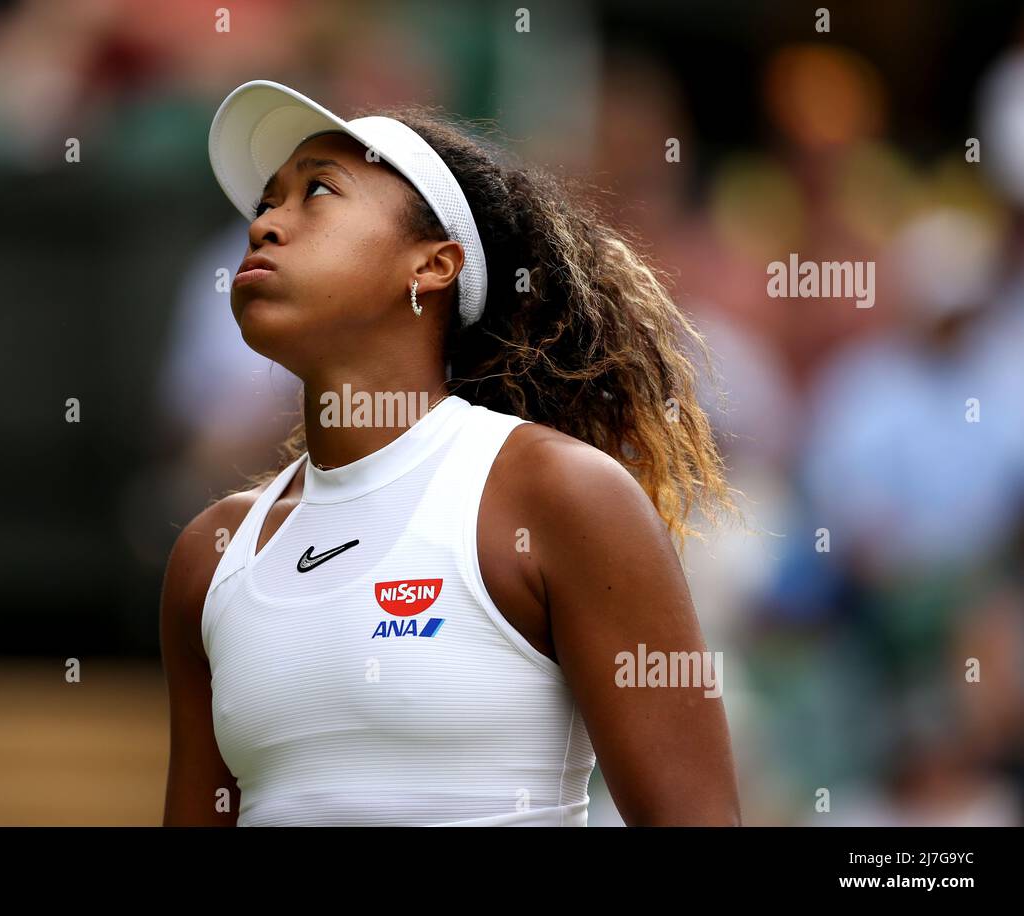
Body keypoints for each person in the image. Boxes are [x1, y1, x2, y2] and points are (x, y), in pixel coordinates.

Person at [161, 80, 741, 826]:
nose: (266, 223)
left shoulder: (559, 494)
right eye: (266, 202)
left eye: (318, 192)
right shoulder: (209, 557)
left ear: (432, 266)